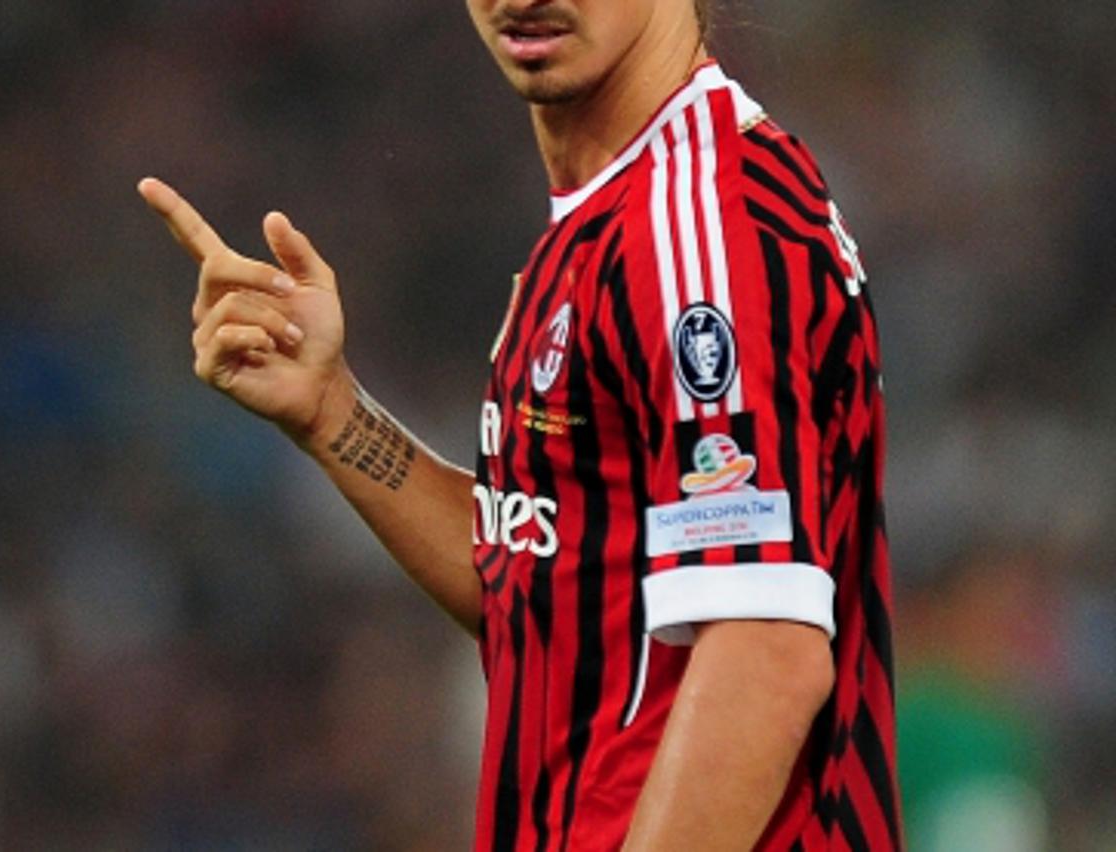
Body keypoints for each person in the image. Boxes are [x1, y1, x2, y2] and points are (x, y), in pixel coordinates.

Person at [138, 0, 902, 848]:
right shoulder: (612, 216)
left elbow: (765, 655)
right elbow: (548, 580)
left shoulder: (698, 232)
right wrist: (333, 414)